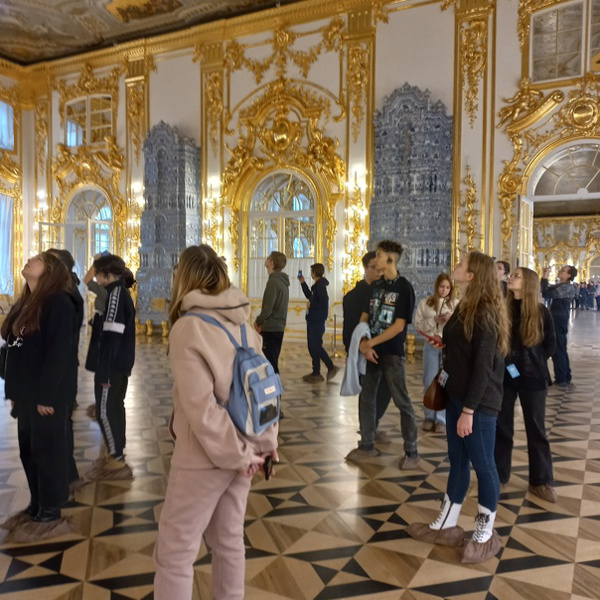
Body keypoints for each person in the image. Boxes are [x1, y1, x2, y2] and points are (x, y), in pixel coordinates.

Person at [153, 245, 278, 600]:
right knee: (228, 543)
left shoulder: (188, 328)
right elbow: (266, 391)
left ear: (185, 278)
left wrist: (238, 455)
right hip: (247, 451)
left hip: (205, 456)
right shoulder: (244, 326)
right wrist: (261, 449)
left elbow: (202, 409)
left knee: (174, 554)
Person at [407, 251, 509, 564]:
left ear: (473, 275)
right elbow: (463, 346)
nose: (456, 266)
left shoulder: (487, 311)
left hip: (477, 403)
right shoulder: (467, 304)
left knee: (483, 465)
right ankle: (447, 524)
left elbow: (484, 367)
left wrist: (469, 411)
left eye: (461, 264)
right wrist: (446, 346)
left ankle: (485, 530)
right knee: (458, 460)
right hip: (456, 394)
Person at [0, 252, 79, 543]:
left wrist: (47, 395)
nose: (28, 261)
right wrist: (15, 390)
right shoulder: (28, 302)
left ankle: (50, 510)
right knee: (28, 450)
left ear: (50, 270)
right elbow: (17, 348)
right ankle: (36, 504)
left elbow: (59, 354)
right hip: (27, 393)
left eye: (36, 259)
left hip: (48, 396)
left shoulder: (57, 301)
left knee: (48, 452)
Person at [345, 240, 419, 469]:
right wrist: (364, 342)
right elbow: (365, 317)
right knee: (366, 397)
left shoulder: (404, 287)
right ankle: (367, 445)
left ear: (390, 260)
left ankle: (411, 451)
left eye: (378, 255)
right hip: (371, 353)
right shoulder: (376, 286)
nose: (374, 259)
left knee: (401, 400)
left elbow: (398, 327)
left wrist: (371, 344)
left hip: (391, 354)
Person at [495, 267, 557, 503]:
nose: (511, 278)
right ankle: (499, 477)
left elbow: (551, 346)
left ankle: (540, 480)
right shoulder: (504, 309)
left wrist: (532, 361)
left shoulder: (541, 312)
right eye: (512, 275)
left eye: (517, 276)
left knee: (536, 429)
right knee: (502, 427)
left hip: (533, 378)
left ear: (529, 283)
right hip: (506, 377)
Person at [84, 254, 136, 481]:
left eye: (98, 273)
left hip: (111, 366)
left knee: (106, 410)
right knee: (114, 407)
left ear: (107, 275)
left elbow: (113, 336)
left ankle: (116, 457)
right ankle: (117, 452)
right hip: (116, 365)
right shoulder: (115, 292)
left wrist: (104, 369)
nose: (95, 277)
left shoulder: (115, 294)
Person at [342, 251, 391, 443]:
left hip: (383, 350)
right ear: (365, 268)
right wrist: (355, 349)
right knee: (367, 393)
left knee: (386, 390)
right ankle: (367, 432)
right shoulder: (354, 296)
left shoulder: (386, 292)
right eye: (374, 268)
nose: (379, 272)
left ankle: (373, 423)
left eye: (381, 269)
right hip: (363, 352)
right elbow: (350, 328)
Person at [47, 248, 84, 494]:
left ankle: (63, 480)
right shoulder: (68, 294)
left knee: (59, 427)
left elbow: (57, 345)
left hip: (60, 373)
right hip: (63, 371)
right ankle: (67, 475)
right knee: (62, 425)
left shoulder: (63, 298)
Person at [414, 273, 458, 434]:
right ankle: (429, 416)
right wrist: (434, 321)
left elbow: (461, 326)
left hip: (448, 348)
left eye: (447, 287)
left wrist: (450, 319)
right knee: (429, 380)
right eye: (442, 287)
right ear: (436, 287)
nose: (444, 290)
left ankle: (441, 419)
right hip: (431, 346)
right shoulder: (426, 303)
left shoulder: (455, 304)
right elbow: (418, 324)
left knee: (444, 381)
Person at [299, 263, 338, 383]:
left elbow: (323, 303)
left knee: (315, 346)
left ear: (314, 272)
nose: (311, 273)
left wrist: (312, 305)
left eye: (311, 271)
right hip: (313, 320)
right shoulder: (317, 286)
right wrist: (302, 282)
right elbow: (309, 296)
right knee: (312, 347)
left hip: (316, 321)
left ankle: (331, 367)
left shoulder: (320, 287)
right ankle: (316, 372)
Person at [253, 251, 290, 374]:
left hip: (270, 328)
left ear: (271, 263)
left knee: (269, 363)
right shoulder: (282, 282)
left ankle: (274, 390)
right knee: (271, 361)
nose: (266, 259)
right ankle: (274, 391)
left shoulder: (273, 282)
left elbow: (267, 309)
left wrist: (258, 322)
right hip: (277, 327)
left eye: (268, 257)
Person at [541, 265, 577, 389]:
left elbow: (546, 293)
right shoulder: (561, 286)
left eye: (563, 270)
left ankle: (562, 377)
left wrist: (545, 276)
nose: (560, 271)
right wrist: (545, 275)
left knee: (558, 348)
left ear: (568, 275)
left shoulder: (567, 288)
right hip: (557, 318)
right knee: (559, 347)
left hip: (558, 320)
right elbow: (546, 289)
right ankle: (564, 376)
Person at [84, 253, 109, 374]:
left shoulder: (107, 286)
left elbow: (87, 280)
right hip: (100, 318)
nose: (97, 277)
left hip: (105, 320)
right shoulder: (101, 286)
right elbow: (87, 280)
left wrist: (96, 264)